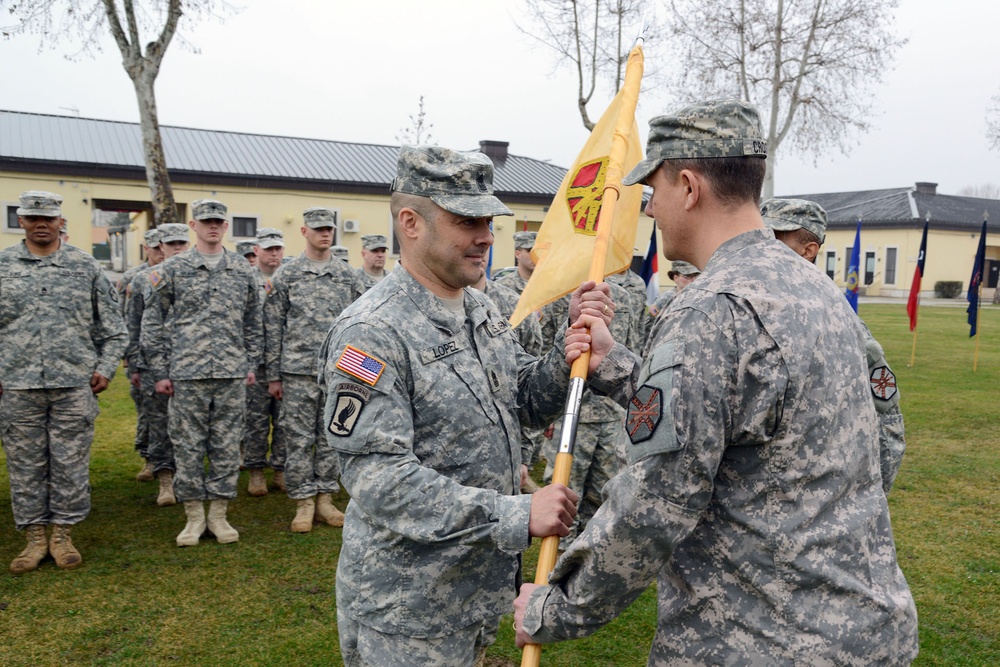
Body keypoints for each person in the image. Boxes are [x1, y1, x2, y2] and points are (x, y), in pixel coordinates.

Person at [513, 100, 919, 665]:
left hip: (760, 641)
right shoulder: (816, 289)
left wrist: (554, 606)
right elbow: (843, 429)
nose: (649, 208)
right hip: (864, 629)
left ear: (687, 185)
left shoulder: (709, 308)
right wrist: (615, 366)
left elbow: (657, 500)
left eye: (651, 189)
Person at [321, 145, 614, 666]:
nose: (485, 236)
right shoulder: (371, 332)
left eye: (488, 220)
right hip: (407, 606)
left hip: (474, 591)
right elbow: (379, 478)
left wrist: (565, 352)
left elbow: (520, 399)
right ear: (410, 222)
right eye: (466, 221)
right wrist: (517, 513)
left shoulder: (480, 308)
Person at [1, 190, 127, 573]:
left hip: (73, 386)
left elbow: (115, 330)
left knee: (70, 464)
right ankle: (35, 538)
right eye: (32, 217)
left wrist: (105, 369)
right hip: (18, 386)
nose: (41, 224)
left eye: (49, 218)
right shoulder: (2, 265)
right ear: (20, 220)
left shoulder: (84, 266)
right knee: (25, 466)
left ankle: (62, 535)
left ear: (60, 222)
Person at [761, 197, 907, 493]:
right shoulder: (749, 307)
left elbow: (886, 421)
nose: (764, 246)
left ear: (808, 251)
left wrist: (872, 498)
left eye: (776, 238)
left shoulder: (840, 321)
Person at [142, 199, 262, 547]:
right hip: (186, 373)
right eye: (206, 221)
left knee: (226, 444)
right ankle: (193, 517)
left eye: (219, 222)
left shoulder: (242, 269)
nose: (213, 227)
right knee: (188, 445)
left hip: (230, 374)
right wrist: (160, 371)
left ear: (226, 227)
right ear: (193, 226)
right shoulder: (174, 268)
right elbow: (153, 321)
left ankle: (219, 516)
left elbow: (254, 321)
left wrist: (249, 364)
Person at [264, 207, 364, 532]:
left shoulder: (348, 276)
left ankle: (325, 497)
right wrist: (274, 375)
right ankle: (303, 502)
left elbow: (360, 325)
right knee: (297, 437)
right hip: (297, 371)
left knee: (332, 435)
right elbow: (273, 327)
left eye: (329, 228)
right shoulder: (287, 275)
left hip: (338, 373)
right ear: (304, 232)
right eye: (318, 228)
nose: (325, 233)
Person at [125, 223, 191, 507]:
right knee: (159, 423)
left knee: (189, 426)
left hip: (189, 363)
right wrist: (134, 365)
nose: (176, 248)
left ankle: (188, 478)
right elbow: (133, 323)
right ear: (159, 246)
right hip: (154, 363)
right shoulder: (143, 279)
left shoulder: (194, 275)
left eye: (181, 243)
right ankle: (165, 479)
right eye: (170, 243)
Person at [118, 228, 165, 483]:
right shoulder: (133, 278)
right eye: (155, 247)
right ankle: (148, 458)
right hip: (142, 359)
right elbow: (126, 319)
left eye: (163, 246)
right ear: (146, 248)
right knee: (147, 411)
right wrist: (130, 359)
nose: (161, 252)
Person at [245, 227, 287, 495]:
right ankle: (256, 471)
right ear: (256, 250)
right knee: (255, 420)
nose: (274, 253)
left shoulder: (289, 278)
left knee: (284, 420)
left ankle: (281, 469)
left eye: (278, 248)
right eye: (268, 248)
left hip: (285, 362)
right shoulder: (245, 279)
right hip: (255, 364)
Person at [643, 260, 700, 347]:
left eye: (695, 276)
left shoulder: (700, 297)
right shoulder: (665, 299)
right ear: (675, 278)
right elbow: (649, 327)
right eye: (687, 276)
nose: (692, 280)